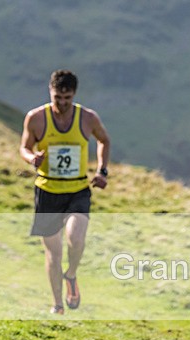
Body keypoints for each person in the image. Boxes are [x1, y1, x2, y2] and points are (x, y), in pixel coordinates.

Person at [19, 70, 110, 314]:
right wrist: (31, 158)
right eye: (57, 97)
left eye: (66, 98)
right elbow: (24, 147)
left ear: (74, 95)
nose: (61, 103)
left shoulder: (87, 118)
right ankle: (57, 304)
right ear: (51, 92)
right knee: (53, 251)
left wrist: (102, 171)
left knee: (75, 238)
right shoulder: (36, 118)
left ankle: (71, 275)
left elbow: (104, 140)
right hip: (47, 190)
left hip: (77, 189)